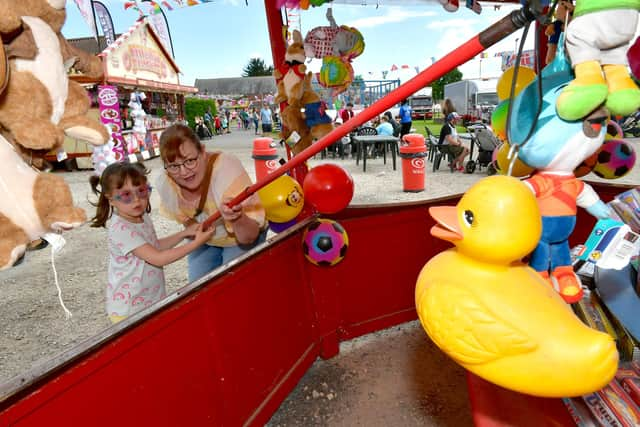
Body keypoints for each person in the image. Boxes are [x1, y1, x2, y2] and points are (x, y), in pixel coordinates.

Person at [89, 162, 215, 323]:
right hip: (129, 309)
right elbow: (158, 258)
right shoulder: (122, 228)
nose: (137, 200)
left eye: (141, 191)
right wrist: (196, 243)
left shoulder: (142, 217)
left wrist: (185, 233)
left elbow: (154, 246)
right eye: (126, 195)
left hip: (148, 300)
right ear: (111, 199)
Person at [156, 124, 266, 282]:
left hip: (238, 238)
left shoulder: (225, 167)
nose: (183, 172)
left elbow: (248, 237)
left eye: (190, 161)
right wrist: (195, 231)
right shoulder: (165, 182)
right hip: (205, 240)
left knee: (231, 286)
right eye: (174, 166)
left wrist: (236, 217)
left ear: (202, 151)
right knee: (199, 289)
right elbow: (188, 223)